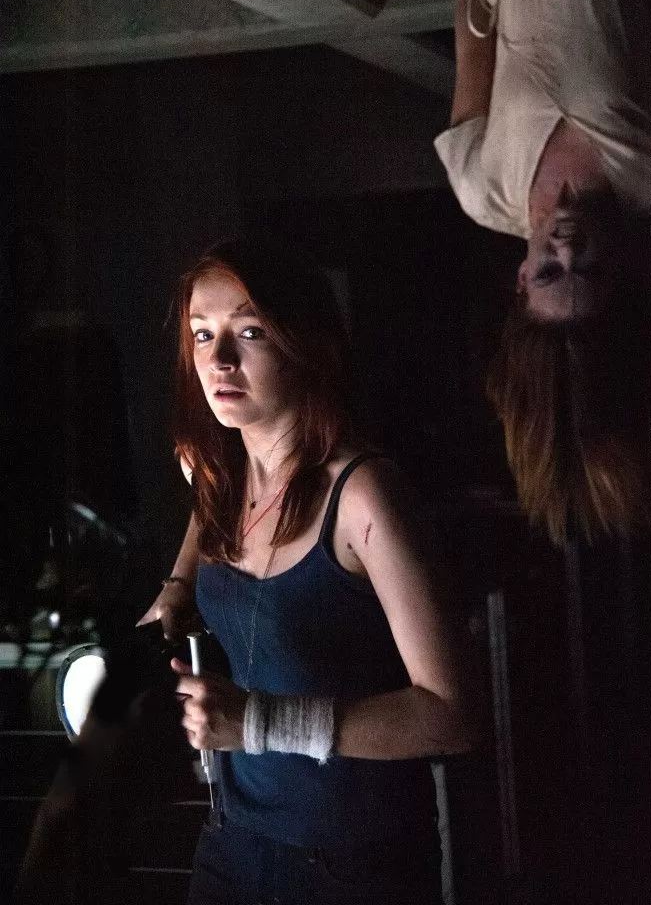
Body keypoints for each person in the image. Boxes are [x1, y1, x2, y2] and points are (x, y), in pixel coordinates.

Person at [137, 239, 478, 905]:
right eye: (202, 334)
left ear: (306, 345)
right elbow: (204, 510)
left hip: (351, 863)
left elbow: (452, 715)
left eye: (250, 332)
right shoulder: (219, 475)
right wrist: (176, 588)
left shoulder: (364, 497)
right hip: (232, 842)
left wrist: (257, 724)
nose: (219, 359)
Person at [434, 0, 651, 546]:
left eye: (549, 272)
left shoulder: (481, 188)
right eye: (586, 268)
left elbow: (473, 36)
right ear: (619, 274)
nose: (566, 247)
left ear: (520, 282)